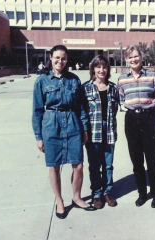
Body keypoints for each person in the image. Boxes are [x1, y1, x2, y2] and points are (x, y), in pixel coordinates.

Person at [32, 45, 93, 220]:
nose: (61, 61)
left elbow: (81, 107)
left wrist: (85, 128)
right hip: (51, 125)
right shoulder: (42, 80)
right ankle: (59, 200)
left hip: (73, 123)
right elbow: (37, 111)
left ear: (67, 60)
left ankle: (76, 197)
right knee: (54, 166)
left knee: (79, 165)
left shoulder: (74, 80)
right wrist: (38, 137)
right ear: (50, 57)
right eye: (57, 57)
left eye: (64, 58)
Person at [118, 44, 155, 208]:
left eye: (136, 56)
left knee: (152, 159)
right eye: (130, 57)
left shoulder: (152, 76)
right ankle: (142, 193)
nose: (133, 59)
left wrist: (149, 110)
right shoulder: (122, 79)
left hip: (149, 119)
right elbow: (121, 99)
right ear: (126, 60)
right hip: (131, 120)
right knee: (136, 160)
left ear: (141, 57)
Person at [82, 55, 120, 209]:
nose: (101, 70)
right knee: (94, 164)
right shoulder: (86, 88)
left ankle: (107, 192)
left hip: (109, 129)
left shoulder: (113, 88)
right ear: (93, 69)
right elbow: (83, 111)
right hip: (92, 131)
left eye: (104, 67)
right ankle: (97, 194)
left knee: (108, 164)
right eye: (98, 67)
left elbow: (115, 108)